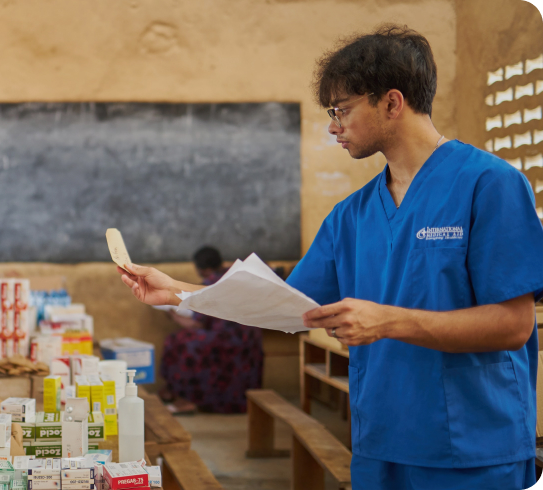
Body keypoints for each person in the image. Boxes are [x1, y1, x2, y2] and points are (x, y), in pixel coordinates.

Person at [116, 25, 543, 489]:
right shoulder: (351, 216)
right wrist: (177, 292)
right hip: (381, 442)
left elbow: (513, 324)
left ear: (392, 103)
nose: (333, 126)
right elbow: (284, 303)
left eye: (342, 110)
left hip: (473, 449)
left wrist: (387, 322)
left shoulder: (489, 185)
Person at [159, 246, 264, 413]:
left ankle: (187, 399)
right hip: (250, 339)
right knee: (185, 340)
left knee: (179, 342)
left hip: (226, 340)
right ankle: (174, 393)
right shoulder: (233, 275)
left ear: (204, 269)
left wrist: (171, 313)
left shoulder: (210, 285)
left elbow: (197, 324)